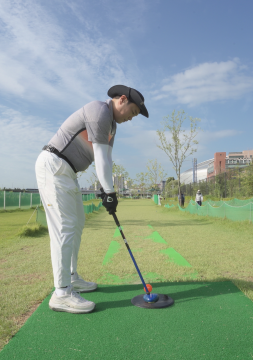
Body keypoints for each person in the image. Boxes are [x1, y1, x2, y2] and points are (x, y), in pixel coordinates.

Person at [35, 85, 149, 314]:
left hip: (66, 171)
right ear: (122, 100)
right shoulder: (100, 112)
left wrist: (109, 190)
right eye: (133, 112)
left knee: (77, 224)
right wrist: (109, 191)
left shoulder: (112, 125)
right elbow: (99, 156)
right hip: (54, 166)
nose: (131, 118)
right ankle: (62, 293)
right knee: (64, 228)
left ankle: (71, 277)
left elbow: (106, 158)